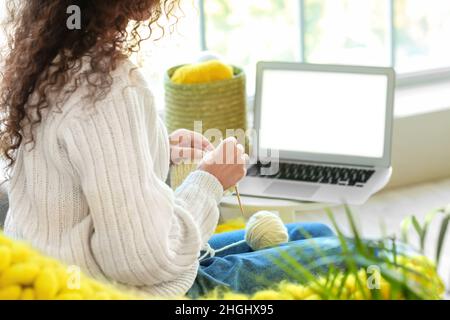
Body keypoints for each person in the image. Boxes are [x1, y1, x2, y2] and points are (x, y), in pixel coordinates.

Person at [0, 0, 334, 298]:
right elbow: (141, 259)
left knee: (315, 232)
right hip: (130, 288)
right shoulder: (109, 86)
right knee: (345, 255)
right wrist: (210, 180)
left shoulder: (52, 59)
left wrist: (153, 149)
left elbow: (78, 167)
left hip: (60, 272)